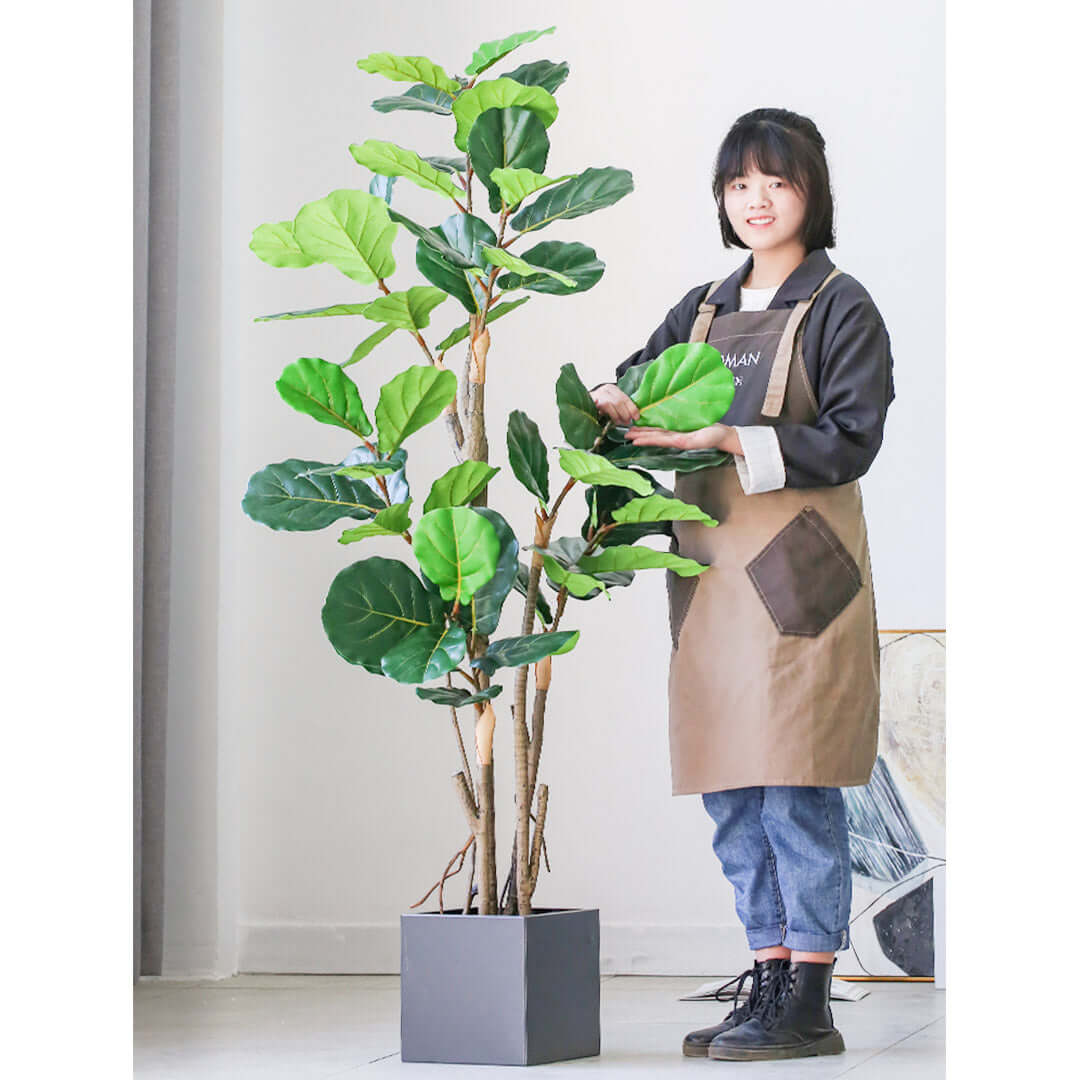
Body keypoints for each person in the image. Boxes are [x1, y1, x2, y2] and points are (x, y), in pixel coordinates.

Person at [590, 107, 896, 1062]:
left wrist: (727, 438)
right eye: (738, 185)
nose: (756, 200)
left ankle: (809, 996)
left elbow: (854, 438)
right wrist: (612, 399)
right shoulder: (704, 308)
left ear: (812, 191)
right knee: (732, 792)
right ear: (723, 201)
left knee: (796, 789)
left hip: (801, 577)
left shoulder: (845, 305)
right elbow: (638, 382)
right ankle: (765, 977)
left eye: (776, 181)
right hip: (713, 576)